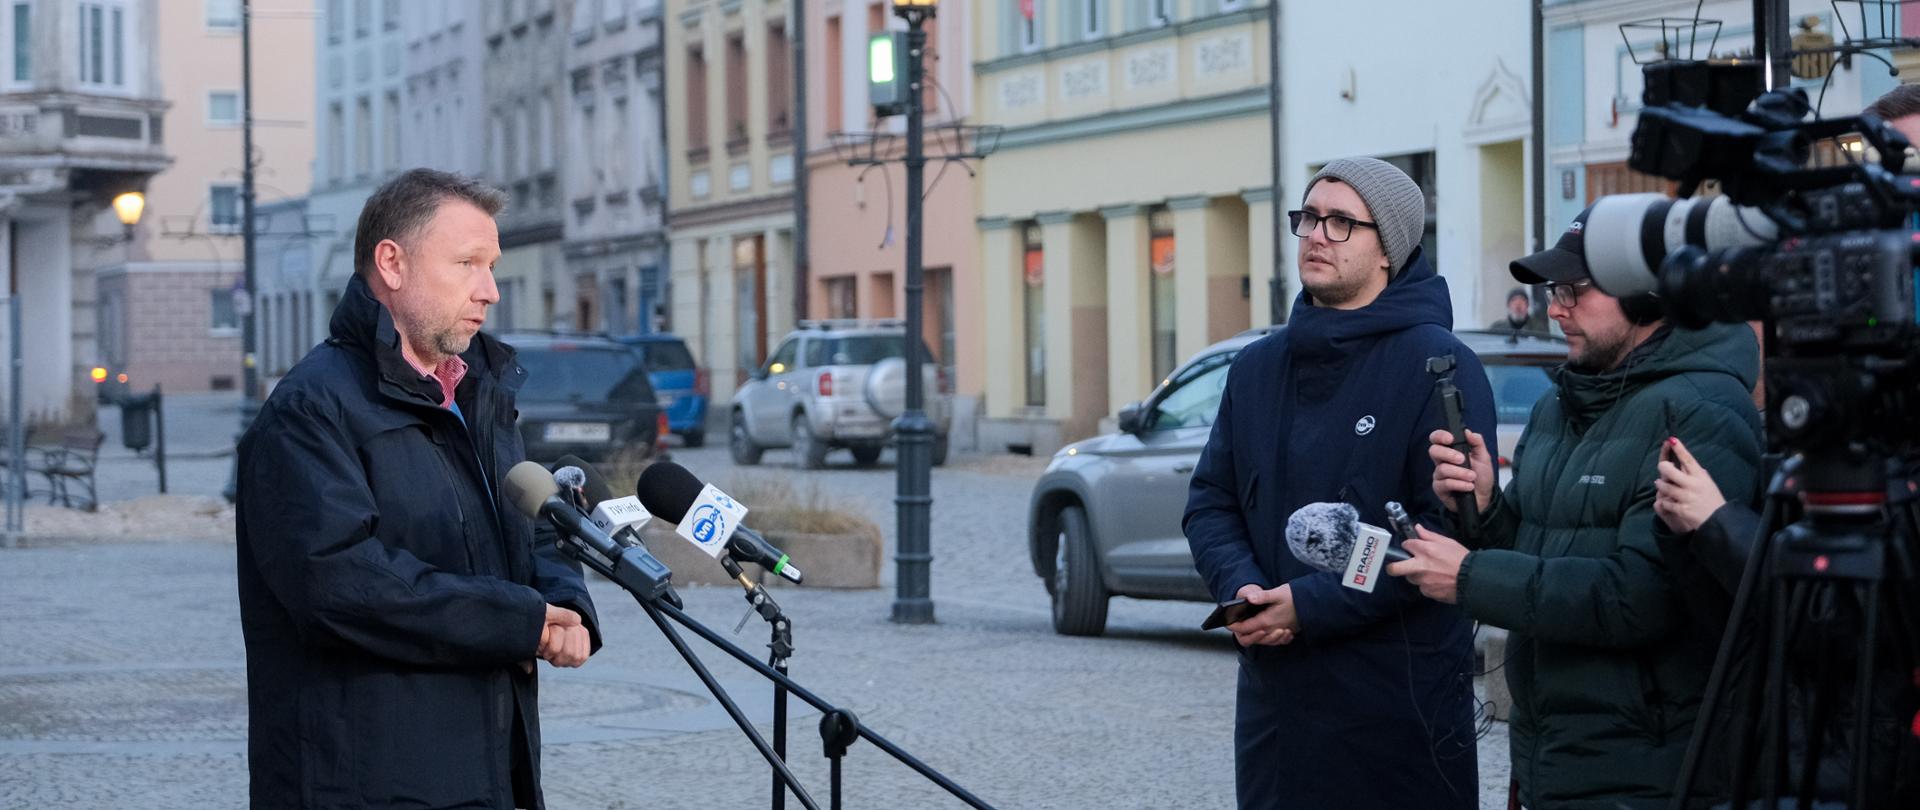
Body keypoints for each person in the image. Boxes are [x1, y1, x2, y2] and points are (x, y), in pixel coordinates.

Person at [235, 169, 600, 809]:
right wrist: (520, 621)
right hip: (366, 782)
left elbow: (531, 517)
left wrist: (566, 602)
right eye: (467, 263)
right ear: (392, 263)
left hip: (487, 773)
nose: (489, 291)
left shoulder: (479, 392)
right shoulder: (310, 410)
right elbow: (341, 586)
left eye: (491, 266)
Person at [1387, 203, 1766, 809]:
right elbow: (1541, 552)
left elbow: (1636, 596)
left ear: (1646, 296)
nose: (1554, 308)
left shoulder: (1700, 410)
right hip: (1550, 758)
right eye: (1552, 291)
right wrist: (1487, 509)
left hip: (1648, 769)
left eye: (1574, 290)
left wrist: (1468, 577)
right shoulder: (1557, 406)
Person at [1185, 157, 1495, 809]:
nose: (1316, 234)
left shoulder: (1440, 366)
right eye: (1308, 217)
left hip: (1395, 713)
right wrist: (1243, 588)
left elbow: (1433, 533)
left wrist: (1311, 603)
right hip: (1279, 712)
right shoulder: (1257, 368)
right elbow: (1212, 502)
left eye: (1341, 222)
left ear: (1390, 248)